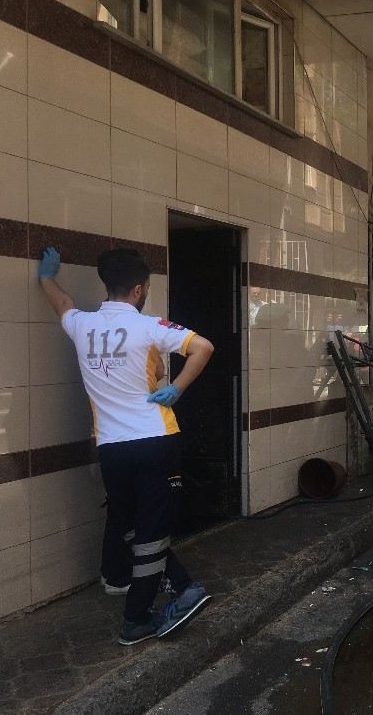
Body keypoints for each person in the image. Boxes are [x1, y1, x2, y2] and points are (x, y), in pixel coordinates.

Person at [37, 247, 214, 645]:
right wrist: (177, 388)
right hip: (154, 440)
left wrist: (47, 277)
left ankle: (184, 588)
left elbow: (63, 302)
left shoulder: (82, 325)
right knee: (151, 530)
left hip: (112, 447)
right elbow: (203, 347)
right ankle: (137, 619)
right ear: (138, 289)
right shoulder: (149, 327)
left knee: (135, 528)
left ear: (107, 286)